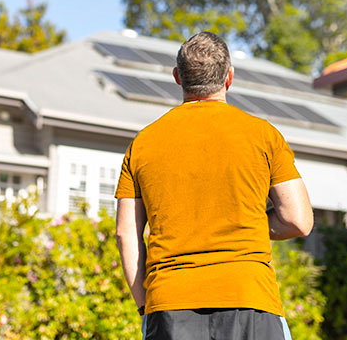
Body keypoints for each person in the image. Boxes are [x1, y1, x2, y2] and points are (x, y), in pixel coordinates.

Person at [114, 32, 313, 340]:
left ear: (178, 77)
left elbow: (126, 233)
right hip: (250, 299)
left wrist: (146, 306)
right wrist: (244, 223)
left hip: (169, 304)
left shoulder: (143, 143)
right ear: (229, 77)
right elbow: (298, 220)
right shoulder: (262, 135)